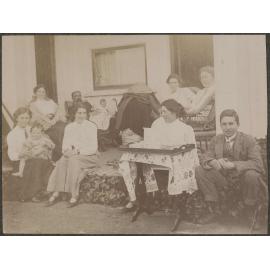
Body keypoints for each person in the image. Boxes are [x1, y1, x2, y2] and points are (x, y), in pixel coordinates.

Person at [123, 99, 197, 211]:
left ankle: (175, 203)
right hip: (156, 158)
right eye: (161, 112)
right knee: (133, 163)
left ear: (174, 112)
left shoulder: (185, 129)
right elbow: (151, 140)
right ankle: (137, 198)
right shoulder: (157, 123)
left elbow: (191, 150)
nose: (162, 115)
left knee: (145, 165)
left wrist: (195, 163)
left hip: (176, 161)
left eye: (165, 112)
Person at [195, 109, 265, 224]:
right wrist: (213, 161)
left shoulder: (248, 140)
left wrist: (234, 165)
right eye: (224, 124)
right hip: (223, 180)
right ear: (221, 125)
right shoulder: (216, 139)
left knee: (252, 175)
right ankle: (213, 209)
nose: (227, 127)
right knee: (200, 170)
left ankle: (250, 211)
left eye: (231, 123)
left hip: (242, 179)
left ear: (238, 124)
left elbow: (258, 163)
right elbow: (205, 157)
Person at [46, 103, 99, 208]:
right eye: (79, 113)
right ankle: (56, 192)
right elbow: (65, 145)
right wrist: (67, 151)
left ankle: (74, 194)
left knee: (73, 160)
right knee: (63, 159)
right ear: (74, 114)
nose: (82, 115)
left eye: (84, 113)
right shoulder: (69, 127)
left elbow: (93, 148)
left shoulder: (91, 126)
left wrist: (77, 151)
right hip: (73, 154)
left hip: (90, 156)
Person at [29, 84, 66, 161]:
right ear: (35, 93)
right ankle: (59, 155)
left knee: (65, 128)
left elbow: (58, 111)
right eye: (39, 91)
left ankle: (65, 152)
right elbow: (37, 116)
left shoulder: (50, 101)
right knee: (56, 131)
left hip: (54, 121)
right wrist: (48, 120)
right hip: (41, 123)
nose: (41, 93)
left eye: (43, 92)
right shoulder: (33, 104)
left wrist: (54, 120)